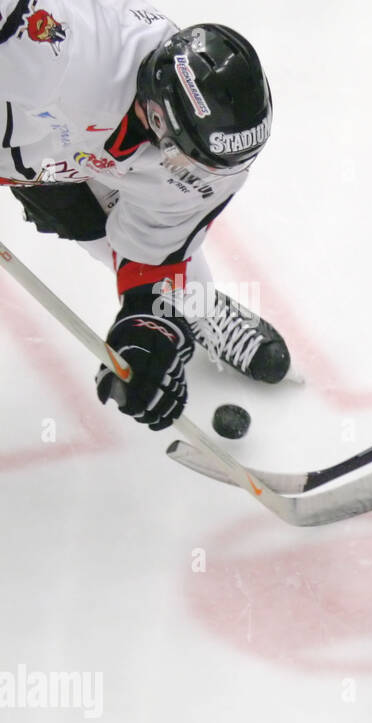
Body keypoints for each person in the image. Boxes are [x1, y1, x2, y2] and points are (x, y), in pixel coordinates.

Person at [2, 1, 290, 432]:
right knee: (82, 216)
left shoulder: (209, 153)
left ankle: (199, 307)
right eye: (194, 160)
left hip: (62, 156)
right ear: (156, 116)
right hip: (45, 135)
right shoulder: (57, 50)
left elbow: (153, 245)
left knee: (112, 233)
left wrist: (149, 321)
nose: (201, 179)